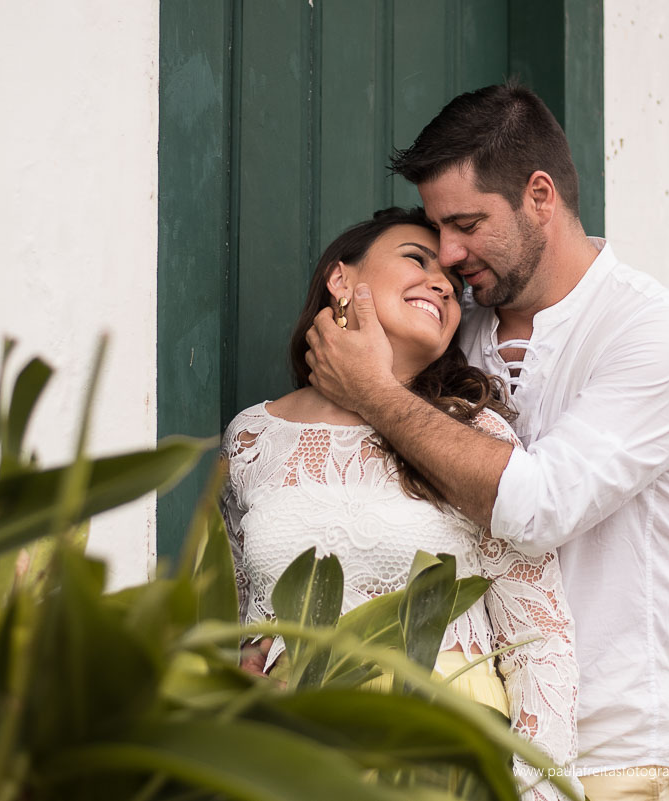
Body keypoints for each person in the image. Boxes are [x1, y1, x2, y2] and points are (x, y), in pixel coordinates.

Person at [305, 83, 669, 801]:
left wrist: (374, 391)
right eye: (437, 230)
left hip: (606, 755)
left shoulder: (653, 333)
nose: (449, 254)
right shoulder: (451, 331)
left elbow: (536, 506)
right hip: (465, 746)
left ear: (540, 196)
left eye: (466, 224)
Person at [221, 207, 578, 801]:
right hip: (296, 755)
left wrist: (541, 790)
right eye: (417, 260)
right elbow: (244, 615)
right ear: (340, 279)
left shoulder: (476, 436)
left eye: (456, 284)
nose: (444, 285)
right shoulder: (252, 437)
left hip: (446, 749)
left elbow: (540, 638)